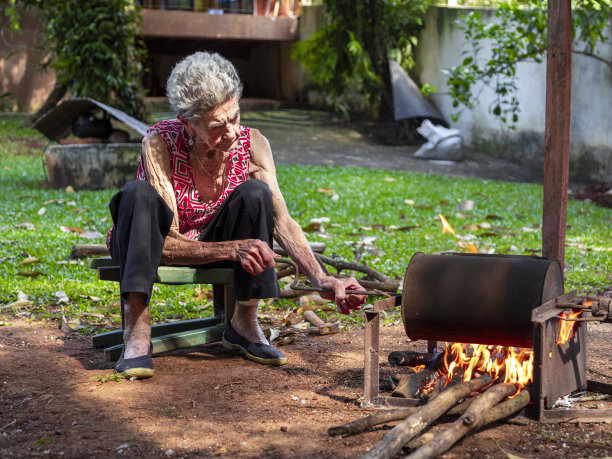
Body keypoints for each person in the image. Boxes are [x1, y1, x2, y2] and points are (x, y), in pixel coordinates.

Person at [107, 52, 367, 379]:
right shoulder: (160, 141)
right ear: (188, 123)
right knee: (136, 194)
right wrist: (234, 249)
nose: (230, 132)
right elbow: (167, 246)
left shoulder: (252, 143)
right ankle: (137, 332)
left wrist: (322, 278)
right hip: (147, 243)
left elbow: (282, 221)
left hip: (215, 239)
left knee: (258, 194)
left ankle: (244, 323)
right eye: (217, 125)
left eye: (235, 117)